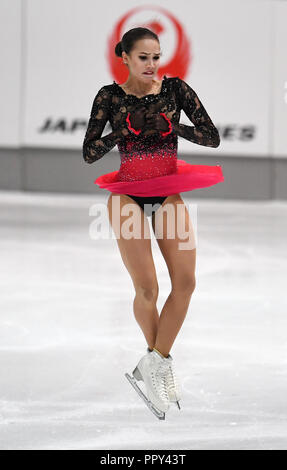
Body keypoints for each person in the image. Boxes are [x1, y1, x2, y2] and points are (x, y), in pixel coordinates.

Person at [82, 27, 224, 418]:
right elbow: (89, 153)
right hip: (127, 193)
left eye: (156, 57)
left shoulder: (176, 91)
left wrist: (172, 126)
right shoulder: (109, 96)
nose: (151, 64)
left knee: (186, 282)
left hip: (167, 190)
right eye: (143, 57)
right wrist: (122, 131)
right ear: (124, 57)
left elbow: (212, 138)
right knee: (147, 287)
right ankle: (157, 361)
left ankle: (156, 363)